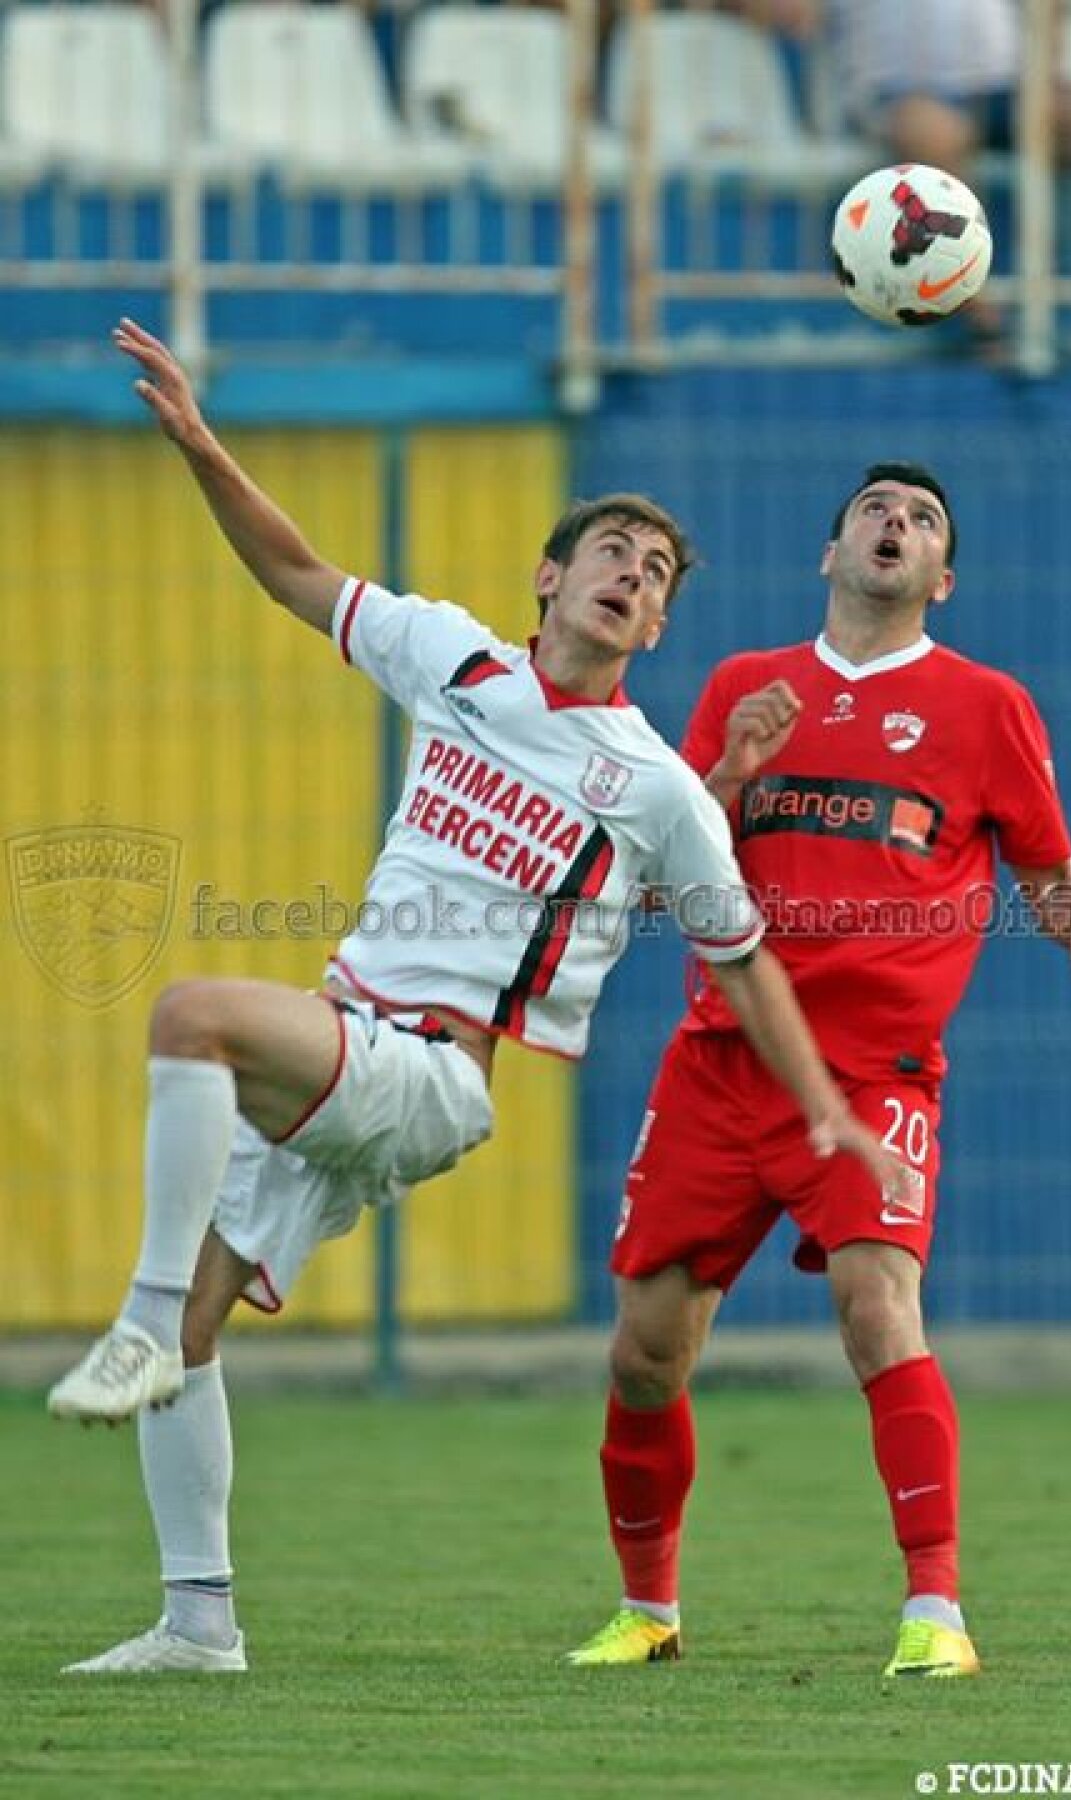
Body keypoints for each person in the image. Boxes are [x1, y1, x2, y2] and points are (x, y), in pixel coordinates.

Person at [46, 317, 907, 1675]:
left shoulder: (658, 787)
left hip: (433, 1079)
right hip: (348, 1049)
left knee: (190, 1019)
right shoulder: (454, 661)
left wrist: (829, 1116)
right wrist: (203, 444)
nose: (635, 576)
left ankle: (140, 1319)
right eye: (615, 554)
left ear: (661, 621)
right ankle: (199, 1621)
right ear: (550, 579)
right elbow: (294, 571)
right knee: (205, 1337)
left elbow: (741, 961)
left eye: (659, 573)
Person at [566, 461, 1071, 1680]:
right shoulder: (743, 686)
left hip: (876, 1076)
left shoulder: (988, 707)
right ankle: (648, 1611)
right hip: (725, 1064)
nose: (898, 524)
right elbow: (670, 872)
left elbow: (1045, 868)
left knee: (878, 1310)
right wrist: (730, 776)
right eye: (876, 511)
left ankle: (935, 1612)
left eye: (924, 518)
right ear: (829, 553)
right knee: (645, 1351)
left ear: (946, 575)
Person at [832, 0, 1071, 362]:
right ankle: (985, 326)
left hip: (1007, 88)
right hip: (897, 90)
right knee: (935, 135)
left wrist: (1044, 67)